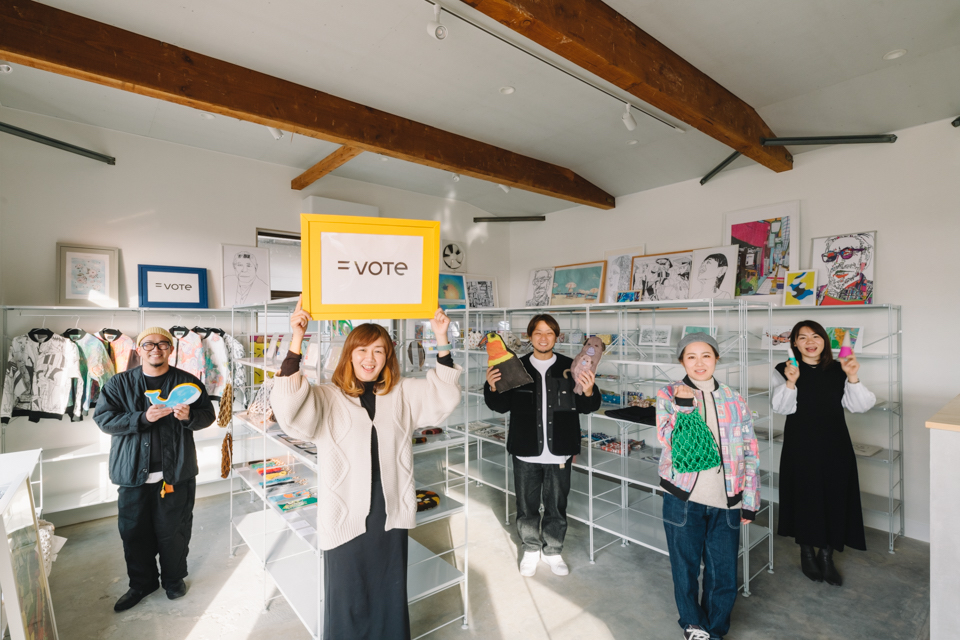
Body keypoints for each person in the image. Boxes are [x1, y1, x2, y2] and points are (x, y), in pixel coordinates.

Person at [270, 298, 461, 640]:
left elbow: (443, 398)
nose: (369, 359)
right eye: (361, 351)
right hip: (343, 507)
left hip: (389, 506)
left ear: (388, 357)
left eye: (378, 351)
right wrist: (296, 339)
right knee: (346, 593)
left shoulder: (401, 393)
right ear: (349, 355)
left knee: (389, 589)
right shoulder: (327, 396)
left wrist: (442, 339)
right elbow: (288, 410)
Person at [93, 327, 216, 612]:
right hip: (132, 473)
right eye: (149, 344)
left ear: (171, 349)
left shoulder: (188, 382)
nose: (156, 349)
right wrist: (142, 417)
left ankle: (173, 580)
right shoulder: (119, 383)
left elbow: (207, 416)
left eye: (163, 344)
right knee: (134, 533)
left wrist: (190, 416)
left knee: (174, 531)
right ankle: (142, 583)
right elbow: (104, 420)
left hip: (176, 474)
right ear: (139, 349)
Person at [657, 332, 760, 640]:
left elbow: (749, 450)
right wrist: (685, 408)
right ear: (681, 361)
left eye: (706, 356)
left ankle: (714, 630)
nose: (699, 363)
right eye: (691, 357)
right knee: (685, 568)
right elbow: (667, 440)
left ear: (716, 358)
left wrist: (750, 500)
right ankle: (692, 624)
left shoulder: (735, 398)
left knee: (723, 572)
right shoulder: (669, 393)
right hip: (683, 498)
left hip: (726, 499)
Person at [483, 314, 601, 577]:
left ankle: (553, 550)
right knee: (526, 503)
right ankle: (531, 548)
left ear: (557, 337)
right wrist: (492, 388)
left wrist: (590, 391)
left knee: (556, 503)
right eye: (538, 332)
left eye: (549, 332)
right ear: (529, 336)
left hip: (560, 448)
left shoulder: (573, 367)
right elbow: (500, 406)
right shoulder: (516, 366)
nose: (544, 337)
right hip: (525, 449)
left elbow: (587, 407)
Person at [772, 321, 875, 586]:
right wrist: (791, 383)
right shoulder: (784, 370)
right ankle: (807, 552)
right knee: (805, 496)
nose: (809, 341)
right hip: (800, 446)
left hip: (835, 445)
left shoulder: (839, 368)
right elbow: (782, 408)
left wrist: (852, 376)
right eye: (802, 337)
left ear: (824, 341)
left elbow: (860, 406)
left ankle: (827, 556)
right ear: (794, 343)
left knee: (835, 496)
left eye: (815, 336)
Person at [815, 233, 874, 305]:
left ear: (865, 257)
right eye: (831, 256)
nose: (837, 262)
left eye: (846, 253)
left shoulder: (872, 291)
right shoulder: (817, 292)